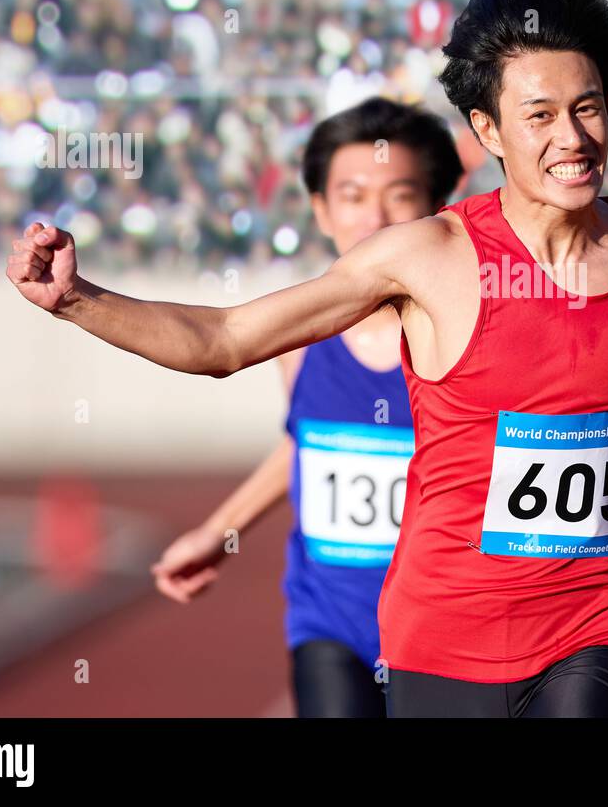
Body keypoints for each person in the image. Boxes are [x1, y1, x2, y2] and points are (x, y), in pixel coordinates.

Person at [7, 0, 608, 718]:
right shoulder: (427, 258)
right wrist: (78, 301)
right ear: (487, 129)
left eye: (588, 108)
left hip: (593, 623)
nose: (572, 139)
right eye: (539, 115)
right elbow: (225, 339)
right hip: (442, 637)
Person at [149, 97, 464, 717]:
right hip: (330, 622)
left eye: (399, 195)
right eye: (351, 195)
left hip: (441, 628)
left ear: (438, 211)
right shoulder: (299, 343)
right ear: (321, 209)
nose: (374, 217)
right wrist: (221, 528)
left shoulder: (462, 336)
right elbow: (305, 442)